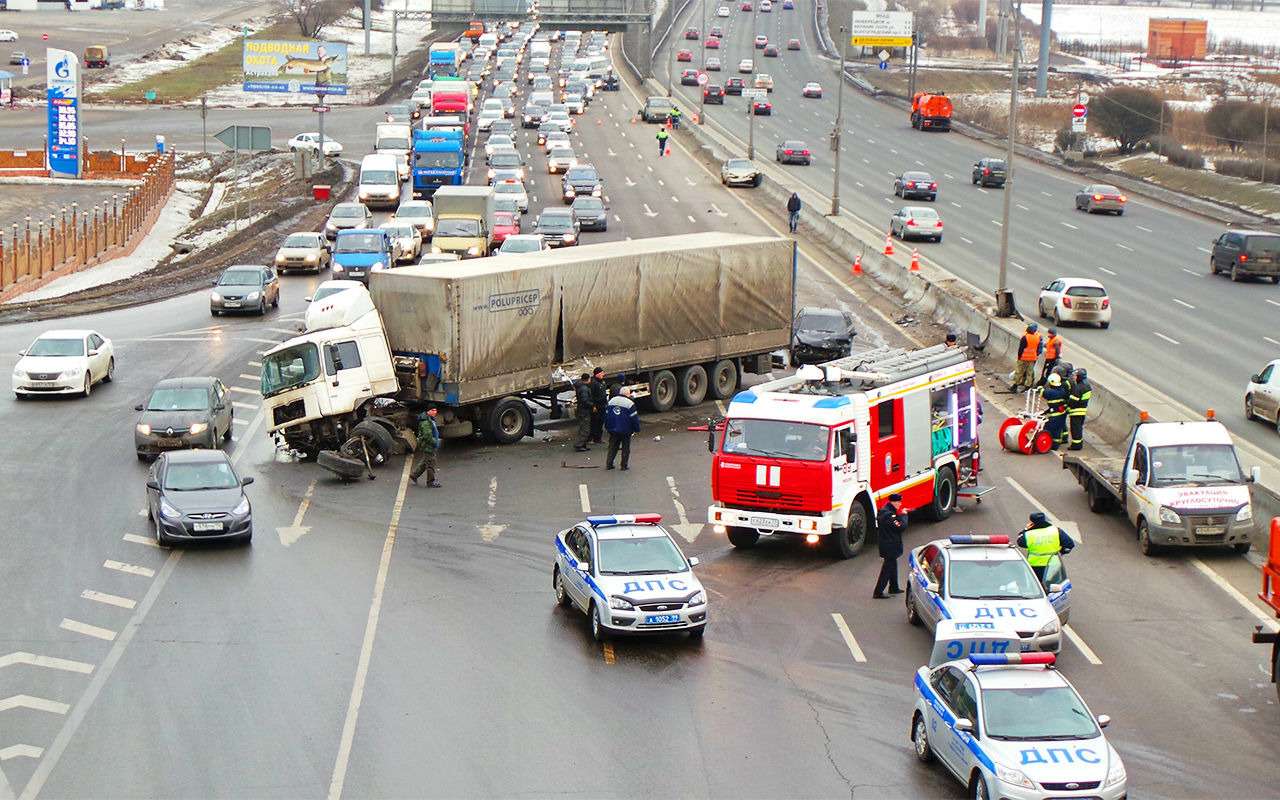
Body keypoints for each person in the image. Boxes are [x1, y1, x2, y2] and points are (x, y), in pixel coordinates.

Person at [1016, 512, 1076, 584]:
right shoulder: (1056, 531)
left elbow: (1020, 542)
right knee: (1053, 587)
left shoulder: (1029, 534)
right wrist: (1062, 552)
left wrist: (1026, 529)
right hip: (1053, 565)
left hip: (1035, 566)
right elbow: (1070, 544)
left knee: (1037, 587)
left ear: (1032, 522)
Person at [873, 493, 907, 598]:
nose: (900, 504)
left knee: (893, 565)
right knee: (887, 569)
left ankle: (894, 587)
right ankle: (878, 592)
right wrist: (904, 515)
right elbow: (901, 526)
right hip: (890, 545)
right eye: (899, 502)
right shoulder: (889, 515)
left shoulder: (885, 511)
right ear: (894, 502)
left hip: (887, 544)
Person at [604, 385, 641, 470]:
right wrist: (637, 429)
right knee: (625, 447)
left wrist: (607, 426)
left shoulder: (611, 401)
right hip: (625, 430)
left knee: (612, 446)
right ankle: (624, 466)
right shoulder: (630, 404)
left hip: (613, 428)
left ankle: (609, 464)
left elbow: (606, 415)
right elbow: (634, 418)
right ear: (628, 394)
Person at [410, 408, 442, 487]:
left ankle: (414, 475)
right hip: (428, 445)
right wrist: (435, 442)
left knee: (426, 461)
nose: (435, 412)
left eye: (435, 410)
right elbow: (427, 436)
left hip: (429, 445)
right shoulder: (425, 422)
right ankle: (430, 482)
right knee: (431, 463)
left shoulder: (429, 419)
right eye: (433, 410)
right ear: (428, 411)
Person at [1011, 322, 1042, 393]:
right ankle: (1028, 387)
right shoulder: (1037, 338)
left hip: (1023, 357)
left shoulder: (1025, 337)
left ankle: (1015, 385)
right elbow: (1038, 349)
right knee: (1029, 373)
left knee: (1019, 371)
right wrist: (1035, 355)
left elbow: (1021, 349)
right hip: (1032, 358)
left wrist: (1019, 357)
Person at [1067, 367, 1092, 451]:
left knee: (1075, 429)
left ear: (1079, 377)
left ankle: (1076, 445)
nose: (1074, 377)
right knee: (1079, 428)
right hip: (1082, 411)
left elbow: (1073, 401)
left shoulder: (1078, 387)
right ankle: (1078, 443)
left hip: (1076, 411)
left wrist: (1067, 406)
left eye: (1076, 376)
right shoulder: (1087, 385)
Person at [1042, 372, 1068, 450]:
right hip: (1062, 414)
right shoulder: (1062, 390)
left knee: (1048, 429)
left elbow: (1042, 392)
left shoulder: (1050, 392)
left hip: (1054, 415)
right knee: (1058, 430)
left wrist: (1040, 386)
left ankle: (1046, 444)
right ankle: (1055, 445)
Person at [573, 373, 593, 452]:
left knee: (583, 428)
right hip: (584, 411)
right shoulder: (584, 389)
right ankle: (579, 445)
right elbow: (585, 400)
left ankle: (583, 445)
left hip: (582, 410)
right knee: (585, 429)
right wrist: (592, 405)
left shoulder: (580, 387)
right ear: (588, 379)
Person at [588, 367, 608, 445]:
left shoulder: (602, 382)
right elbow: (591, 396)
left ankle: (598, 438)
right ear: (597, 374)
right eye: (602, 373)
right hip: (597, 406)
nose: (603, 374)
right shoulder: (593, 383)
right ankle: (592, 438)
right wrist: (593, 406)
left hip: (602, 405)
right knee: (595, 422)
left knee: (600, 422)